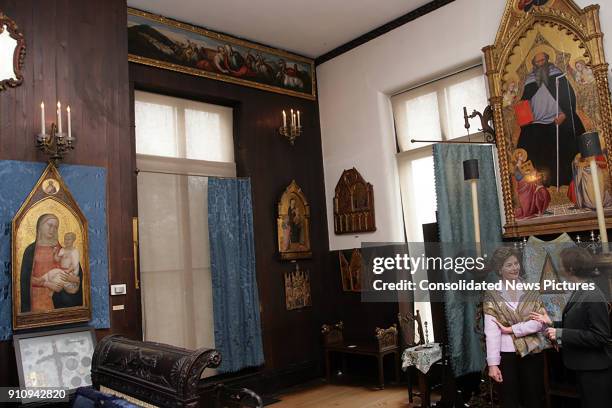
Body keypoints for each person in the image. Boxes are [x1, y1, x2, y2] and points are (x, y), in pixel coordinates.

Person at [530, 247, 612, 408]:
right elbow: (579, 323)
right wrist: (552, 323)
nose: (559, 267)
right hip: (585, 366)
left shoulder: (593, 295)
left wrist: (561, 333)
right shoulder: (581, 290)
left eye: (561, 264)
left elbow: (600, 337)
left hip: (595, 371)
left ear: (571, 268)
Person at [483, 247, 549, 408]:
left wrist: (511, 329)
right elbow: (491, 332)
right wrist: (493, 364)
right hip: (506, 356)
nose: (515, 268)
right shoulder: (492, 294)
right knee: (509, 401)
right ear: (500, 269)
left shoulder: (531, 289)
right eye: (509, 265)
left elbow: (539, 322)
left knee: (534, 400)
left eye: (516, 263)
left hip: (532, 352)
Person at [516, 52, 585, 187]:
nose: (541, 64)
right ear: (534, 64)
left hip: (558, 119)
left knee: (567, 146)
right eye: (538, 62)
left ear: (548, 60)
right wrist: (525, 116)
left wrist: (564, 113)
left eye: (543, 60)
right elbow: (524, 102)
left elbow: (569, 95)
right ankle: (542, 186)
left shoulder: (557, 74)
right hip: (536, 123)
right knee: (532, 148)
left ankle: (569, 182)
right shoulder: (530, 80)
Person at [20, 214, 83, 312]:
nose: (52, 229)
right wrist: (46, 283)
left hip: (59, 300)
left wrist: (74, 278)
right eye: (50, 225)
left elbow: (77, 273)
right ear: (40, 226)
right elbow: (25, 279)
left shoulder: (63, 250)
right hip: (38, 299)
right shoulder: (31, 251)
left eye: (55, 227)